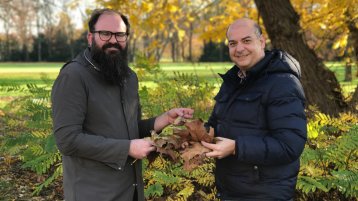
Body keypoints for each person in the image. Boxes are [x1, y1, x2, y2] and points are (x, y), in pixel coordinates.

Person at [51, 8, 193, 201]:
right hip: (92, 193)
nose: (113, 40)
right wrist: (126, 148)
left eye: (120, 34)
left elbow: (129, 130)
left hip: (131, 191)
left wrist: (164, 119)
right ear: (90, 37)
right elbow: (67, 140)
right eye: (105, 34)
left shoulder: (128, 77)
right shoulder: (73, 76)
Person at [201, 18, 307, 201]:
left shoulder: (282, 84)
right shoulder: (233, 80)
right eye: (232, 43)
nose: (239, 48)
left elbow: (290, 145)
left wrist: (236, 148)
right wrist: (196, 135)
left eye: (246, 41)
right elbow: (217, 124)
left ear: (262, 42)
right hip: (231, 191)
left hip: (265, 194)